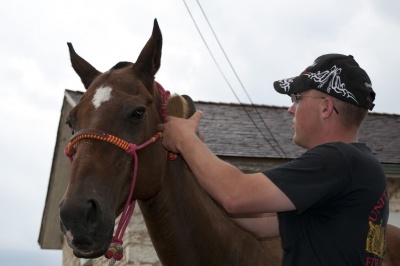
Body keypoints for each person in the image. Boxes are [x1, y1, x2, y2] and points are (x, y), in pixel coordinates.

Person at [158, 54, 389, 265]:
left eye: (297, 98)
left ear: (326, 107)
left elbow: (236, 196)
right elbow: (258, 224)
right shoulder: (359, 168)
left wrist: (186, 141)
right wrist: (195, 158)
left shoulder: (339, 159)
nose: (291, 109)